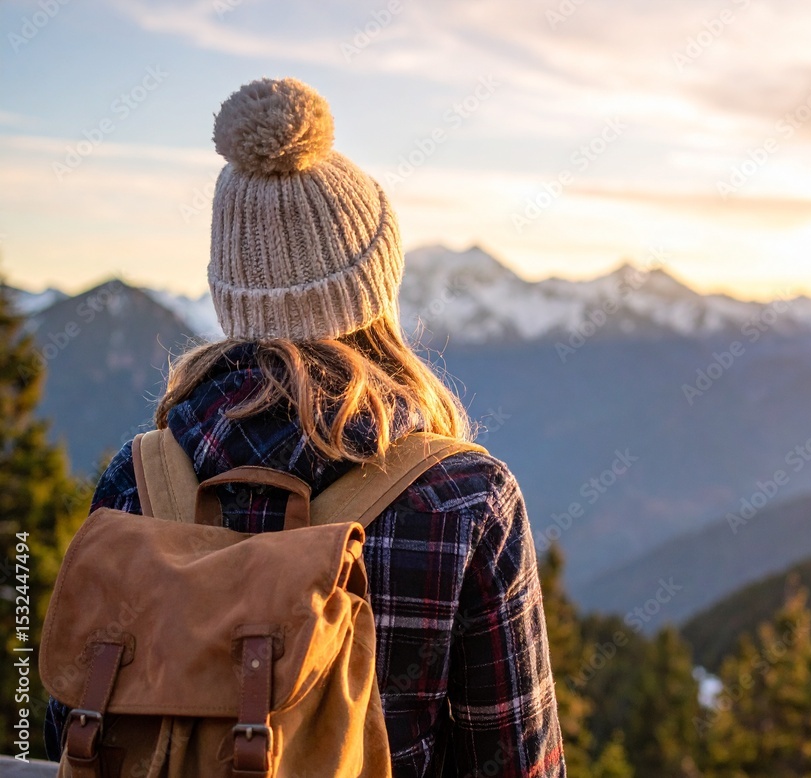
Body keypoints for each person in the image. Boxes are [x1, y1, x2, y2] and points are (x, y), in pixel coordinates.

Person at [45, 76, 565, 778]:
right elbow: (516, 765)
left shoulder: (135, 481)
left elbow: (72, 726)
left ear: (229, 296)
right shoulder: (464, 499)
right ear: (377, 288)